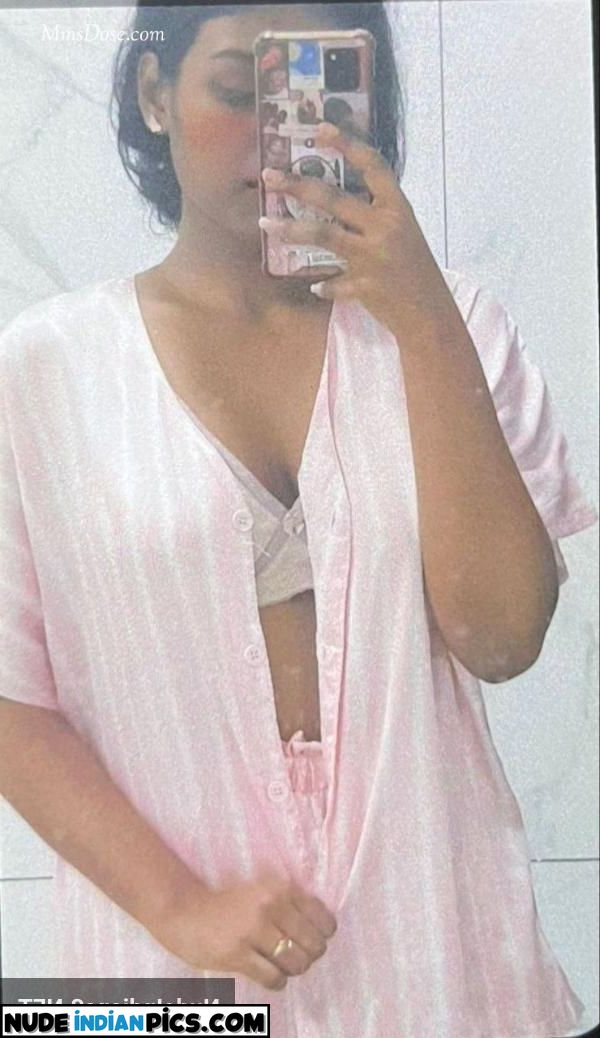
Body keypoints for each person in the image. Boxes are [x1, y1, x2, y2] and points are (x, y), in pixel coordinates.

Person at [0, 3, 596, 1036]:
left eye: (316, 98)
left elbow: (503, 638)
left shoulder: (453, 324)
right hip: (161, 970)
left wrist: (422, 317)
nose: (278, 137)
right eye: (239, 92)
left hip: (440, 946)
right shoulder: (41, 372)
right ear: (155, 94)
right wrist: (180, 908)